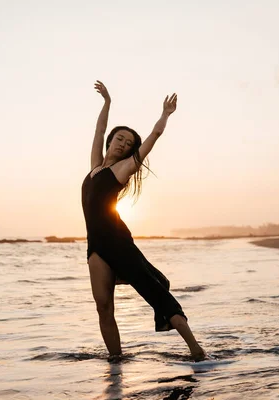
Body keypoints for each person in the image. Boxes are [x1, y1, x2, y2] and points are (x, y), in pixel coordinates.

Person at [81, 80, 206, 362]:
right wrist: (107, 103)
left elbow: (155, 135)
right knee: (103, 306)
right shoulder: (96, 167)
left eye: (128, 143)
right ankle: (115, 362)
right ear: (111, 141)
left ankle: (196, 350)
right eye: (119, 139)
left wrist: (165, 114)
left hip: (118, 242)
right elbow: (99, 129)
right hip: (96, 245)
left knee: (156, 293)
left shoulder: (123, 169)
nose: (123, 144)